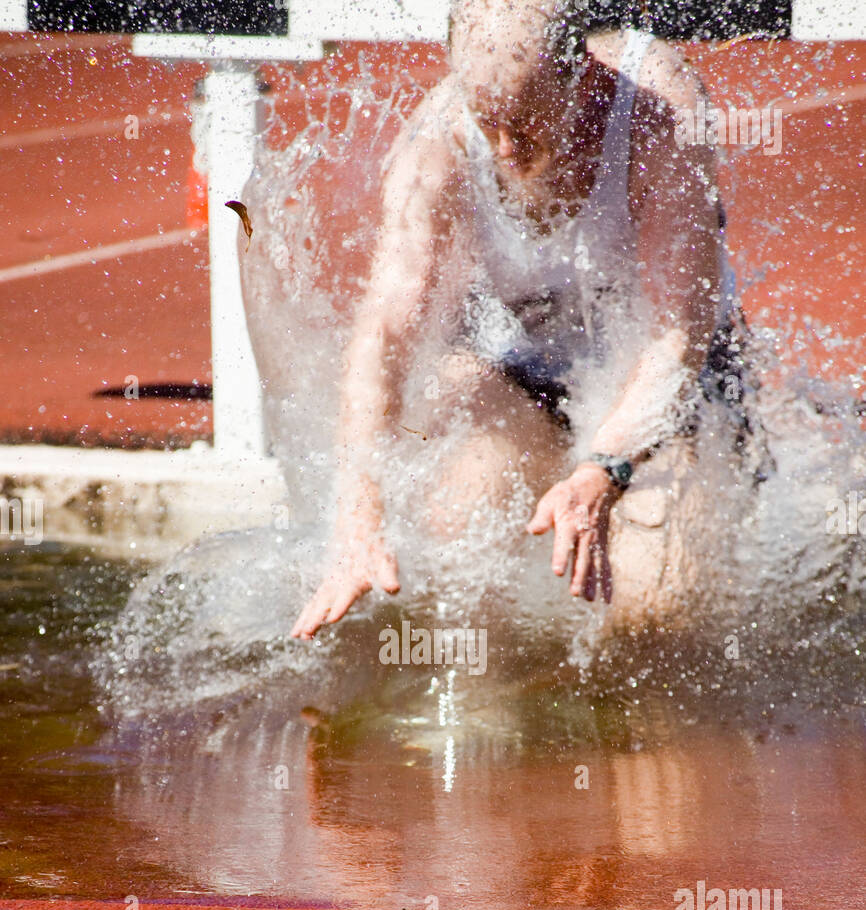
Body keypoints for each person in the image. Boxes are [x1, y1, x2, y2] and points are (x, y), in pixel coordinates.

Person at [292, 0, 765, 641]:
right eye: (490, 123)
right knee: (455, 546)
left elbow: (677, 338)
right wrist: (357, 515)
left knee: (657, 608)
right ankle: (498, 715)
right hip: (514, 369)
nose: (508, 148)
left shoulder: (660, 115)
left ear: (584, 78)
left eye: (528, 121)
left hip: (661, 380)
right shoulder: (435, 146)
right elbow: (384, 338)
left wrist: (604, 468)